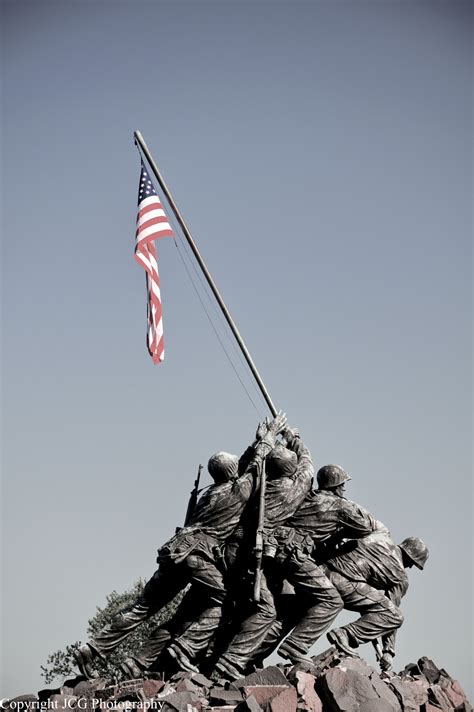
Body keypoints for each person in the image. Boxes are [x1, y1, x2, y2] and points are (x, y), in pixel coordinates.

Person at [74, 413, 287, 679]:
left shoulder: (210, 493)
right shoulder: (238, 491)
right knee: (225, 597)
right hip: (197, 555)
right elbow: (255, 469)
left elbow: (244, 466)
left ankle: (94, 648)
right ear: (233, 473)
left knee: (143, 607)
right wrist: (269, 437)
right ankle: (184, 648)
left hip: (174, 549)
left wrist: (256, 443)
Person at [213, 428, 345, 678]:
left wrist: (264, 439)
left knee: (254, 607)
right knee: (266, 610)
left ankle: (234, 657)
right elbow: (307, 462)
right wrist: (293, 437)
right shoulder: (294, 489)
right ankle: (230, 662)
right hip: (254, 554)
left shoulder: (251, 485)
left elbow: (244, 467)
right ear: (290, 470)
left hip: (233, 550)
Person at [325, 532, 429, 671]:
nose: (410, 567)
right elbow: (390, 614)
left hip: (323, 570)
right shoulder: (400, 576)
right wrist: (388, 651)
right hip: (344, 583)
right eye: (413, 563)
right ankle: (345, 634)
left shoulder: (379, 540)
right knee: (395, 616)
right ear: (410, 557)